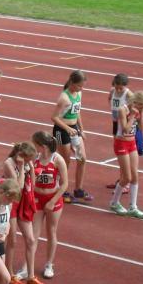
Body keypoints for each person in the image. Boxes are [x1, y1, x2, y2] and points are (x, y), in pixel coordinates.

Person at [23, 131, 68, 281]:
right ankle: (26, 266)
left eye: (34, 144)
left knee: (51, 232)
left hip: (53, 199)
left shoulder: (58, 160)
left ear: (42, 146)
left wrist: (52, 201)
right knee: (33, 234)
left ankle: (49, 264)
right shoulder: (34, 158)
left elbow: (65, 184)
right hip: (37, 198)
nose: (33, 147)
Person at [2, 142, 44, 284]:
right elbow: (18, 187)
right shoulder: (9, 163)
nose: (30, 161)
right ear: (22, 156)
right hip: (11, 202)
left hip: (23, 202)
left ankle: (31, 276)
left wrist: (31, 168)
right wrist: (21, 167)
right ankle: (10, 274)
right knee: (12, 240)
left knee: (31, 240)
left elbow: (33, 184)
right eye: (29, 159)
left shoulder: (27, 164)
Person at [51, 70, 92, 204]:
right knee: (65, 161)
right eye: (79, 85)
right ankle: (61, 190)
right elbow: (54, 117)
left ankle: (78, 189)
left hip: (74, 129)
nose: (81, 88)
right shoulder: (64, 98)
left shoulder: (78, 93)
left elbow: (77, 111)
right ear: (72, 83)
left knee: (82, 158)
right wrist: (68, 129)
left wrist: (81, 129)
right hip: (61, 130)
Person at [109, 92, 143, 220]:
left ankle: (133, 207)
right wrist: (132, 115)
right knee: (127, 177)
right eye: (141, 106)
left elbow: (142, 128)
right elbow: (125, 129)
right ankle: (114, 203)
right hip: (121, 143)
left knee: (135, 176)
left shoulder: (138, 110)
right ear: (135, 102)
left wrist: (142, 113)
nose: (141, 108)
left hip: (132, 143)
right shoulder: (123, 109)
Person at [106, 73, 132, 194]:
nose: (119, 90)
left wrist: (125, 115)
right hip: (115, 123)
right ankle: (121, 180)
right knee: (118, 153)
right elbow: (110, 100)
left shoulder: (128, 94)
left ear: (125, 86)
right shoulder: (112, 91)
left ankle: (126, 183)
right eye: (117, 87)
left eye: (121, 88)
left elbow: (135, 107)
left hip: (124, 125)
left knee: (124, 152)